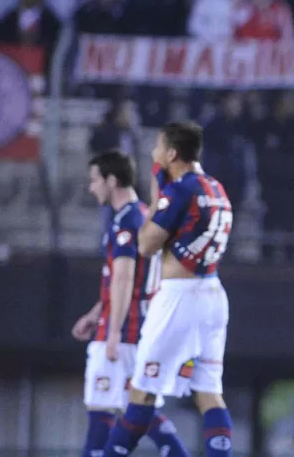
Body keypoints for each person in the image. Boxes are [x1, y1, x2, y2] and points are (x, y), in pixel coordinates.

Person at [101, 122, 234, 457]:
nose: (153, 153)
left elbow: (145, 245)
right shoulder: (217, 188)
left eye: (158, 146)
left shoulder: (179, 190)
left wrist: (157, 190)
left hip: (179, 297)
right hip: (214, 295)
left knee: (141, 390)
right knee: (209, 392)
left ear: (172, 153)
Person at [73, 150, 188, 457]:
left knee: (103, 409)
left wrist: (112, 331)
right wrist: (95, 313)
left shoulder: (127, 221)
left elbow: (124, 279)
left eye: (95, 180)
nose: (91, 187)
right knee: (136, 409)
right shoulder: (140, 214)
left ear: (112, 180)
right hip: (133, 326)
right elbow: (120, 278)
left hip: (123, 331)